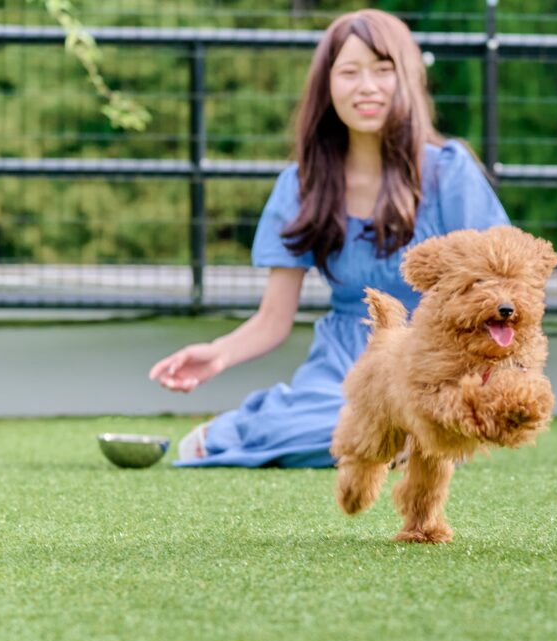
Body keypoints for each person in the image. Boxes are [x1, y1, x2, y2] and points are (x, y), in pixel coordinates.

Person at [148, 9, 511, 468]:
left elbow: (504, 288)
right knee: (328, 425)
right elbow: (273, 320)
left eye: (384, 71)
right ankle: (252, 428)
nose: (367, 87)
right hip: (345, 364)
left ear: (408, 80)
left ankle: (410, 435)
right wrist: (216, 356)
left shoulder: (449, 171)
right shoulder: (300, 186)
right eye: (349, 72)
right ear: (327, 85)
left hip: (434, 359)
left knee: (413, 417)